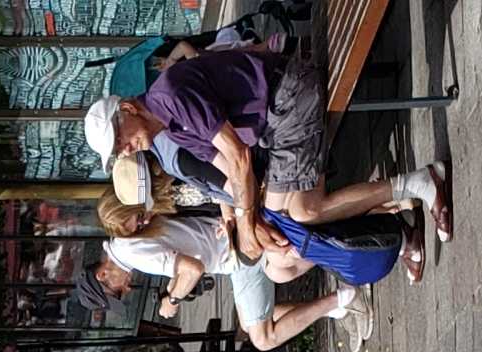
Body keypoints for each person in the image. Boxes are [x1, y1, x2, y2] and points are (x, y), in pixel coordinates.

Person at [84, 41, 447, 262]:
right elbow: (230, 171)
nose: (126, 150)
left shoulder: (171, 98)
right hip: (277, 123)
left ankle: (406, 209)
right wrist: (252, 222)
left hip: (288, 99)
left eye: (120, 141)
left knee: (300, 213)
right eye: (119, 152)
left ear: (128, 110)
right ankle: (400, 215)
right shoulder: (172, 127)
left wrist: (246, 223)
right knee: (289, 218)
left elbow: (239, 157)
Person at [92, 187, 407, 352]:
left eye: (117, 291)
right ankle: (340, 300)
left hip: (238, 253)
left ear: (102, 274)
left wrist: (172, 300)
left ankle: (345, 299)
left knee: (263, 337)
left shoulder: (130, 250)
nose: (126, 290)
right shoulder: (127, 240)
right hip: (232, 245)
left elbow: (192, 269)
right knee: (253, 317)